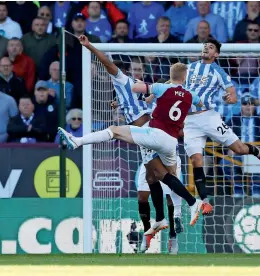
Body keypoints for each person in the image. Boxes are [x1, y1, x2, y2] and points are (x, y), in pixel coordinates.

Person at [58, 41, 202, 233]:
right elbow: (164, 93)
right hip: (158, 133)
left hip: (148, 131)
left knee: (116, 132)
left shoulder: (124, 80)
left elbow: (107, 63)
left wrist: (90, 47)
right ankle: (165, 217)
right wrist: (120, 102)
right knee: (156, 176)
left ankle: (78, 141)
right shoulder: (142, 88)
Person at [74, 35, 184, 254]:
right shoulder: (127, 88)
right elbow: (109, 65)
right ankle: (148, 233)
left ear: (142, 71)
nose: (136, 72)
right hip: (147, 149)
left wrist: (88, 46)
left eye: (139, 69)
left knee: (171, 195)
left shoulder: (148, 89)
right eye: (133, 68)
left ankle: (173, 238)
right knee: (143, 196)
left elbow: (108, 63)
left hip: (160, 143)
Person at [184, 38, 260, 214]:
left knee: (239, 148)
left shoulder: (219, 72)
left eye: (210, 47)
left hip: (209, 117)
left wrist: (229, 98)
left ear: (216, 54)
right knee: (196, 160)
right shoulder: (189, 68)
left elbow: (233, 95)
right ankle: (205, 201)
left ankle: (257, 152)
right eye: (205, 46)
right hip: (190, 121)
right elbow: (172, 82)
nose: (206, 49)